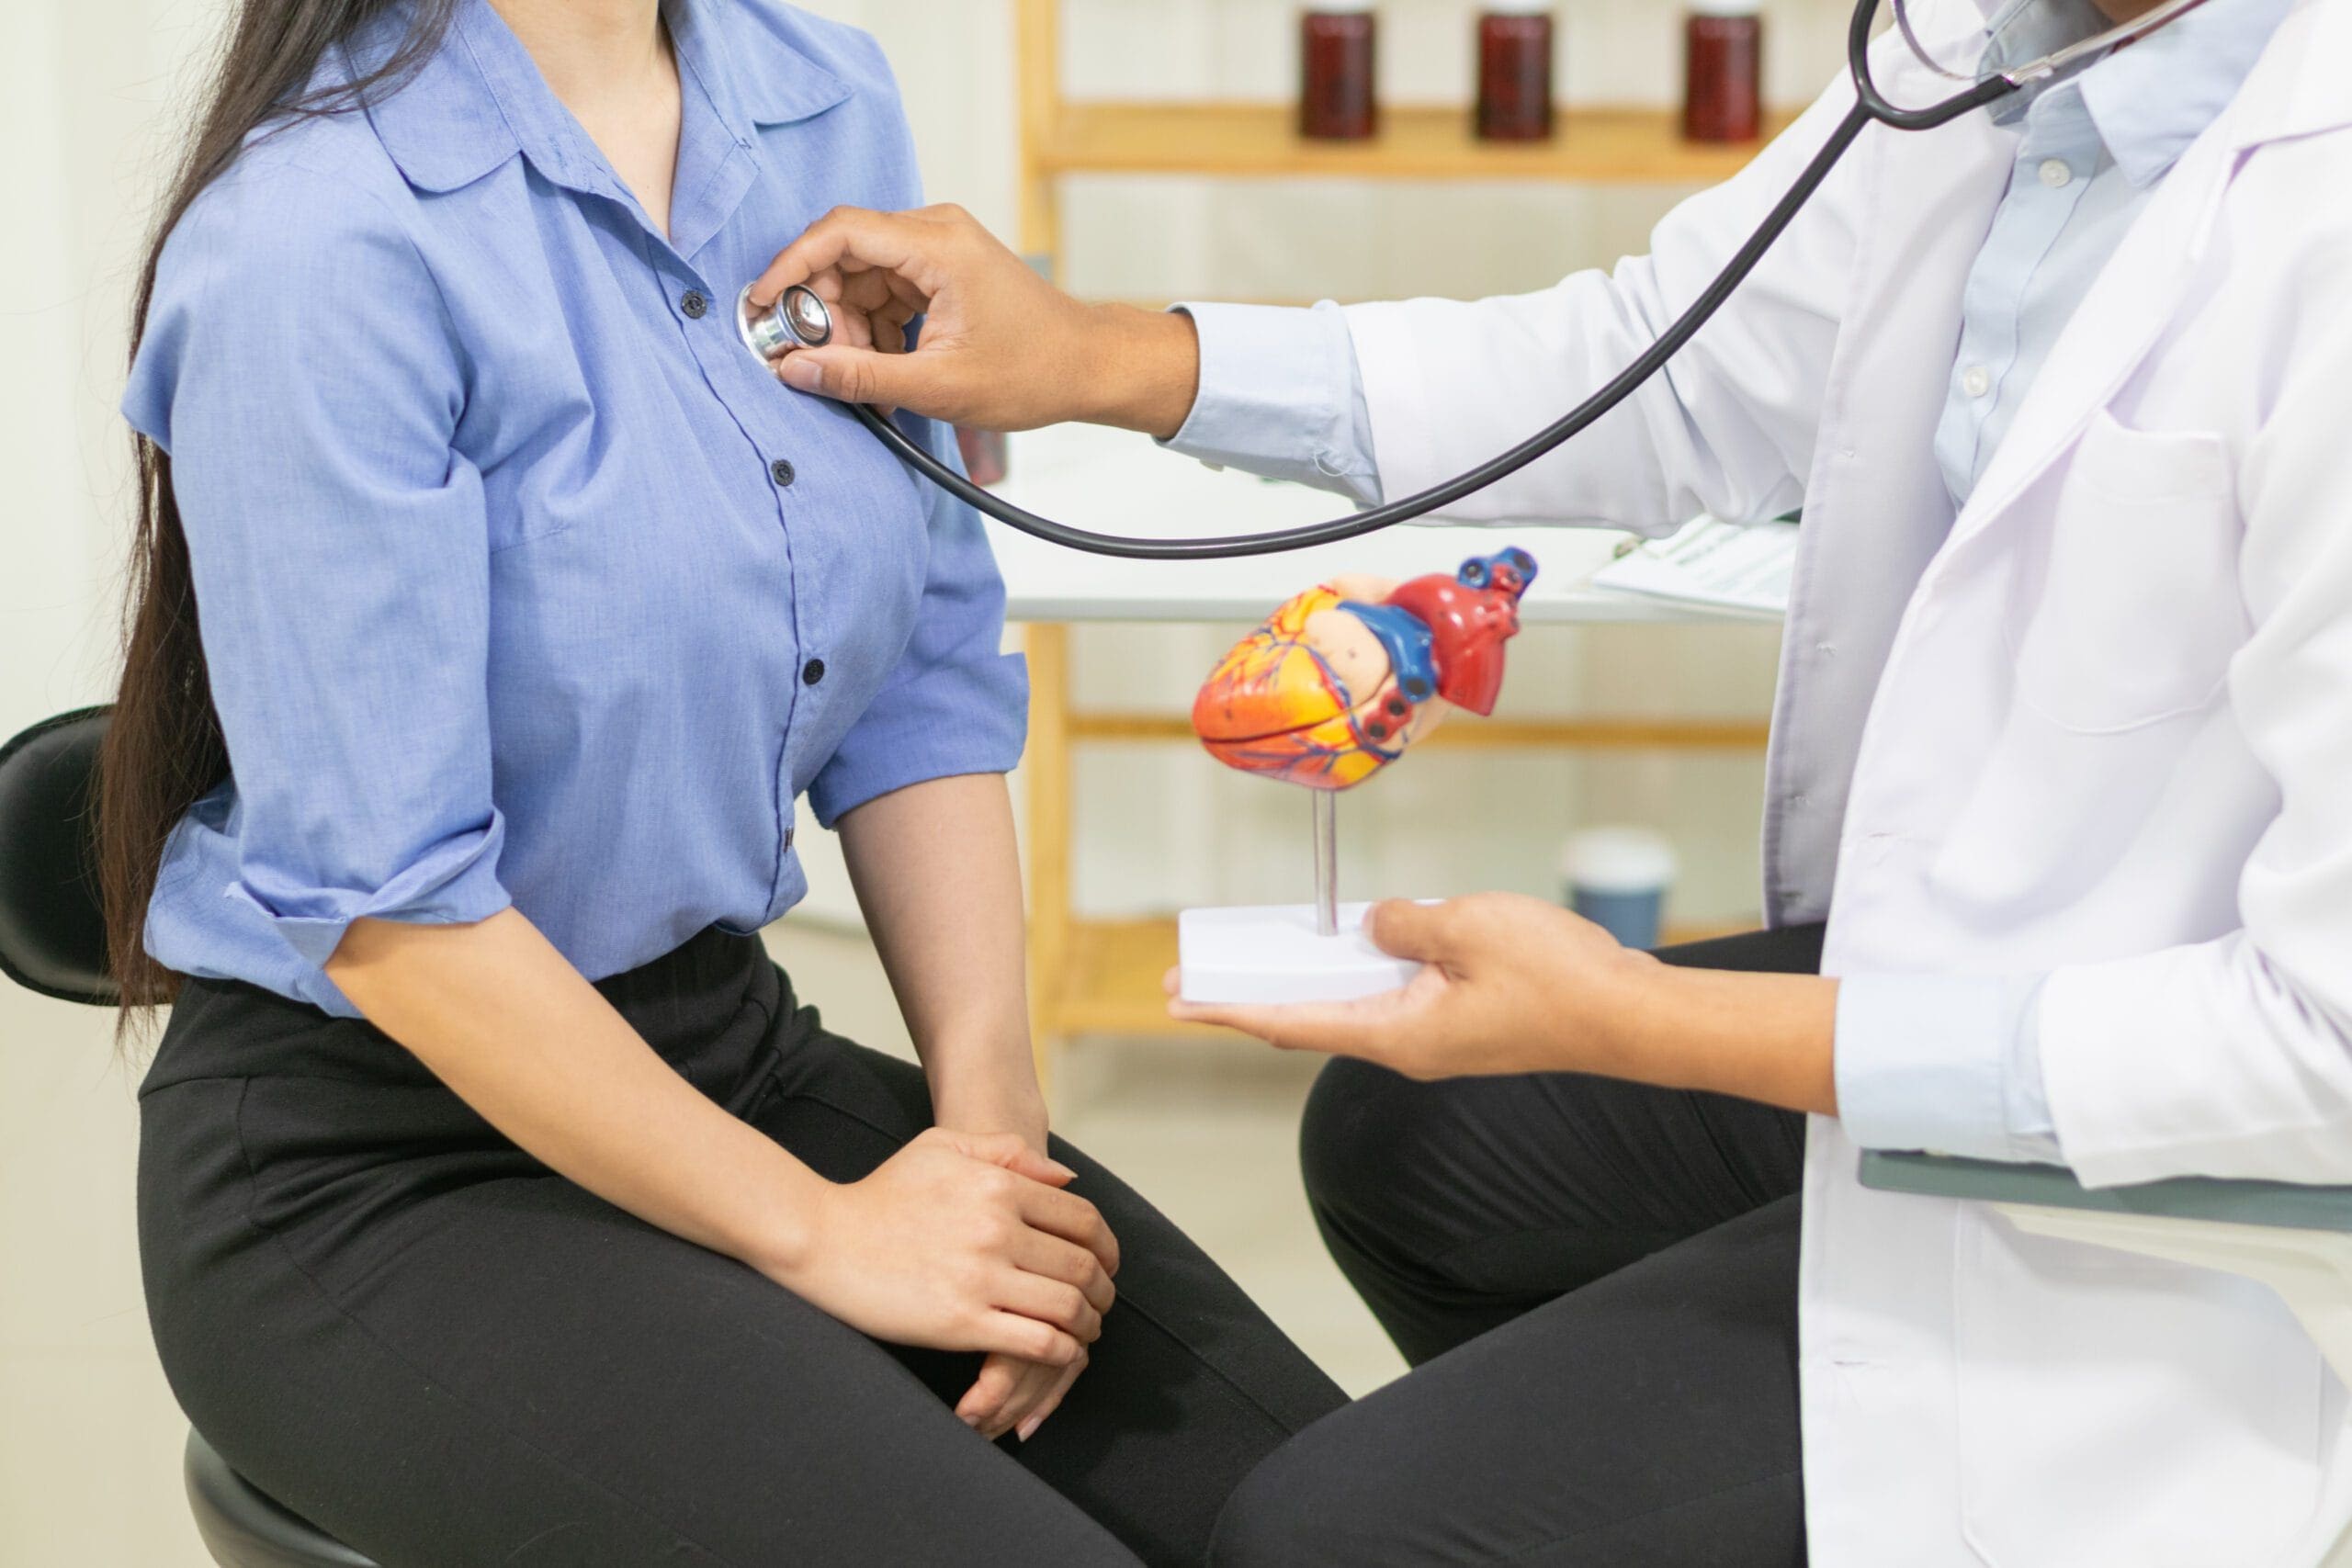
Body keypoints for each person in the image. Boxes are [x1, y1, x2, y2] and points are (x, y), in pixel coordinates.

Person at [746, 0, 2352, 1560]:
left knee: (1323, 1534)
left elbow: (2323, 1058)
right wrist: (1106, 354)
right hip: (1979, 973)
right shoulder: (1985, 60)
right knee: (1415, 1145)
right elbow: (1656, 369)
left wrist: (1632, 1018)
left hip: (2212, 1162)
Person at [105, 2, 1346, 1563]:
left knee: (1349, 1518)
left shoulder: (817, 97)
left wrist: (994, 1145)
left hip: (725, 1051)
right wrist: (832, 1232)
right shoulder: (315, 240)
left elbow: (920, 672)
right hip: (381, 1162)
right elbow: (391, 911)